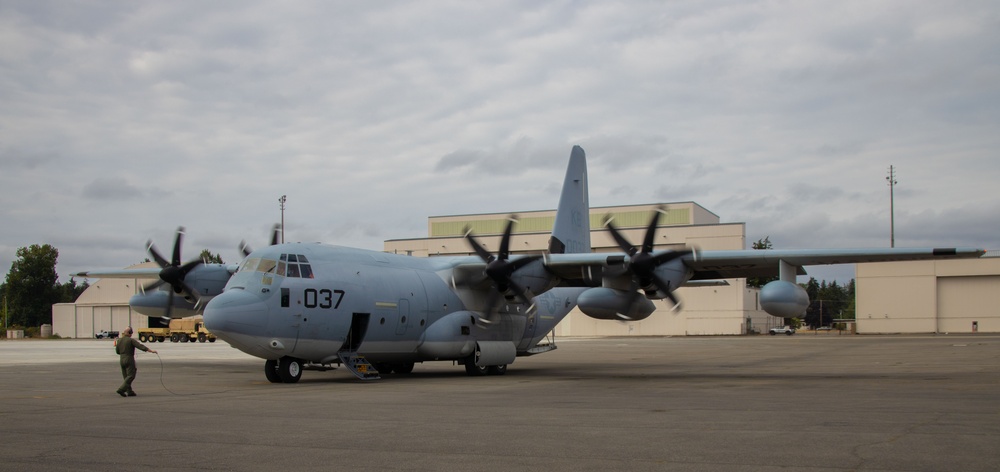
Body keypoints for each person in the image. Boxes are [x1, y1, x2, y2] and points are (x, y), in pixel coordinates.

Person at [115, 327, 156, 397]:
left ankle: (129, 391)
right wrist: (151, 351)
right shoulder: (131, 340)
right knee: (131, 375)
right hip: (129, 358)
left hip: (121, 359)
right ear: (130, 333)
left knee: (126, 377)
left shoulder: (119, 340)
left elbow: (117, 351)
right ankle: (121, 389)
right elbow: (140, 346)